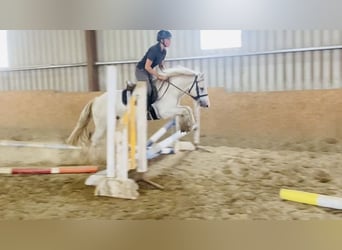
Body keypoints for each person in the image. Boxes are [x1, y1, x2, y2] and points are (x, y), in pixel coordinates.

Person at [135, 30, 172, 101]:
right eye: (168, 39)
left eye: (170, 39)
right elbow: (147, 67)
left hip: (148, 71)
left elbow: (161, 65)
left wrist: (166, 74)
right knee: (148, 90)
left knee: (155, 88)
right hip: (141, 70)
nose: (170, 41)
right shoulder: (154, 50)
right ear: (161, 40)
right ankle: (144, 109)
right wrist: (159, 76)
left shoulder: (164, 51)